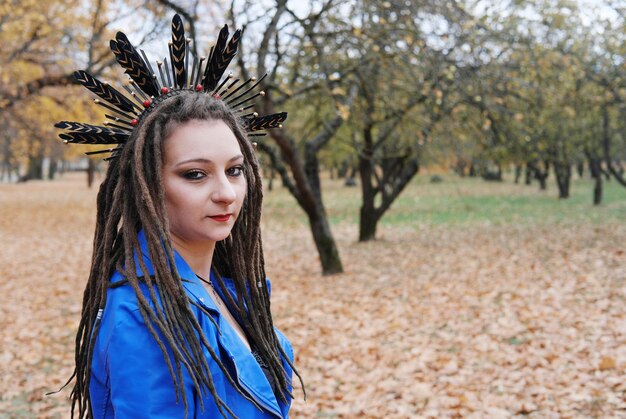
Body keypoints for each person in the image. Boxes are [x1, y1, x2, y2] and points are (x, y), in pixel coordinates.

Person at [55, 14, 301, 419]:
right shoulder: (143, 316)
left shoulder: (224, 287)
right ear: (147, 184)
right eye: (195, 174)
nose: (226, 192)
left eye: (234, 170)